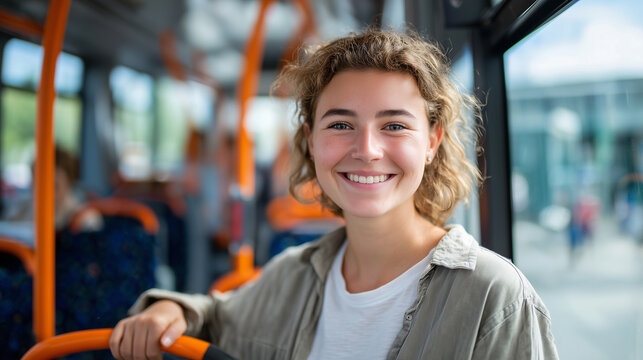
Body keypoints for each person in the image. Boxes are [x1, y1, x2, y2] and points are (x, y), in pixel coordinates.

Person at [109, 30, 558, 359]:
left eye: (395, 126)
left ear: (432, 142)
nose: (366, 150)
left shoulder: (493, 297)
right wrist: (169, 307)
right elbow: (214, 317)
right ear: (311, 139)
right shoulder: (292, 276)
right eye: (341, 124)